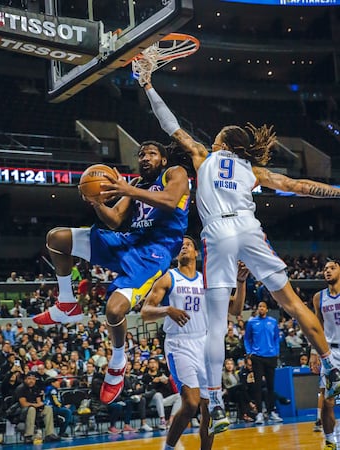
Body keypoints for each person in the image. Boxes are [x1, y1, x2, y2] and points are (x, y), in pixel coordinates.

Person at [138, 69, 340, 433]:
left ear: (222, 144)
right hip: (249, 228)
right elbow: (297, 186)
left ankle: (214, 400)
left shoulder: (203, 156)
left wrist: (148, 85)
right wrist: (337, 191)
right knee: (292, 302)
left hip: (218, 232)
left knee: (216, 325)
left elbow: (170, 125)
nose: (212, 141)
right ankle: (330, 365)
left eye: (216, 139)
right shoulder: (252, 169)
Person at [33, 140, 190, 405]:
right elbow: (116, 220)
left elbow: (170, 201)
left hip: (153, 254)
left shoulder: (174, 173)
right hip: (128, 242)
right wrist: (96, 203)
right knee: (56, 239)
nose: (145, 157)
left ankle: (118, 361)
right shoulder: (136, 186)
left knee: (114, 311)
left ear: (163, 160)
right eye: (141, 154)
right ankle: (67, 303)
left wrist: (127, 189)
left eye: (151, 153)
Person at [141, 235, 249, 447]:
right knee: (190, 403)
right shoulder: (168, 278)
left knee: (209, 407)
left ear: (196, 253)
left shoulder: (206, 281)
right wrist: (167, 310)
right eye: (180, 245)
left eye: (188, 245)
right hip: (179, 344)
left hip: (204, 343)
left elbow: (235, 309)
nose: (184, 247)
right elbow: (145, 311)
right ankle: (169, 446)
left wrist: (241, 281)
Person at [310, 259, 340, 450]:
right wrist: (314, 352)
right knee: (328, 401)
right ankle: (330, 440)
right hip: (330, 352)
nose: (327, 271)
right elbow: (316, 327)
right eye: (325, 269)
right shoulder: (318, 297)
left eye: (332, 268)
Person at [244, 301, 283, 424]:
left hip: (271, 356)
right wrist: (249, 352)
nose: (261, 308)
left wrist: (276, 351)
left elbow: (276, 338)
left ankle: (271, 411)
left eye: (263, 307)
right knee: (258, 386)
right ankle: (259, 413)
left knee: (271, 386)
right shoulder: (251, 322)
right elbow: (247, 338)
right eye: (259, 306)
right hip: (257, 357)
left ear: (266, 309)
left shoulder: (273, 321)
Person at [13, 371, 60, 444]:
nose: (31, 381)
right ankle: (28, 436)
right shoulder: (20, 388)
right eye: (29, 379)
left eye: (33, 379)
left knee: (48, 408)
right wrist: (36, 405)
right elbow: (23, 404)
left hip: (34, 410)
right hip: (21, 412)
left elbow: (39, 402)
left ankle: (49, 434)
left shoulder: (35, 388)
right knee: (31, 408)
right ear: (25, 379)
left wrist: (39, 405)